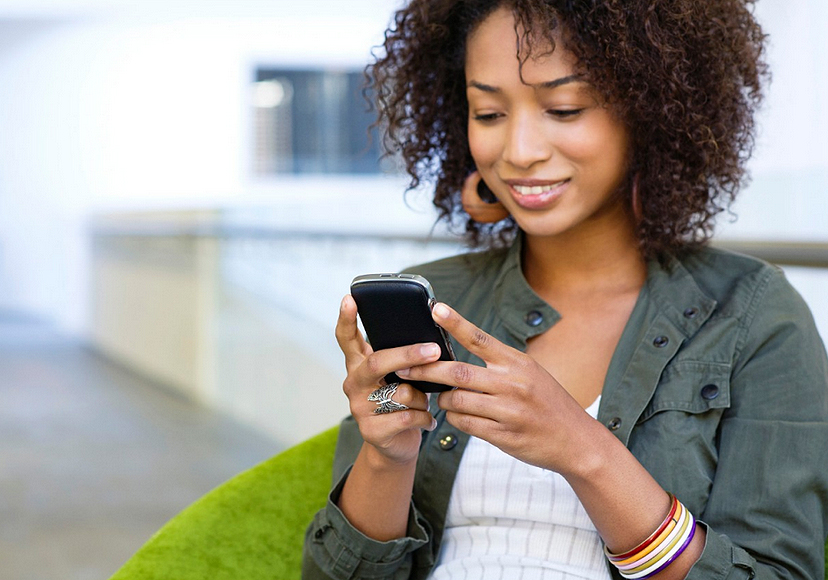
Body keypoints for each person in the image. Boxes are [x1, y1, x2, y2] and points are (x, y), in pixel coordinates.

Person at [303, 0, 828, 578]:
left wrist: (586, 452)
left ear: (651, 110)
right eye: (489, 113)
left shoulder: (753, 313)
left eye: (564, 107)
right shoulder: (438, 298)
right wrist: (387, 455)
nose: (520, 152)